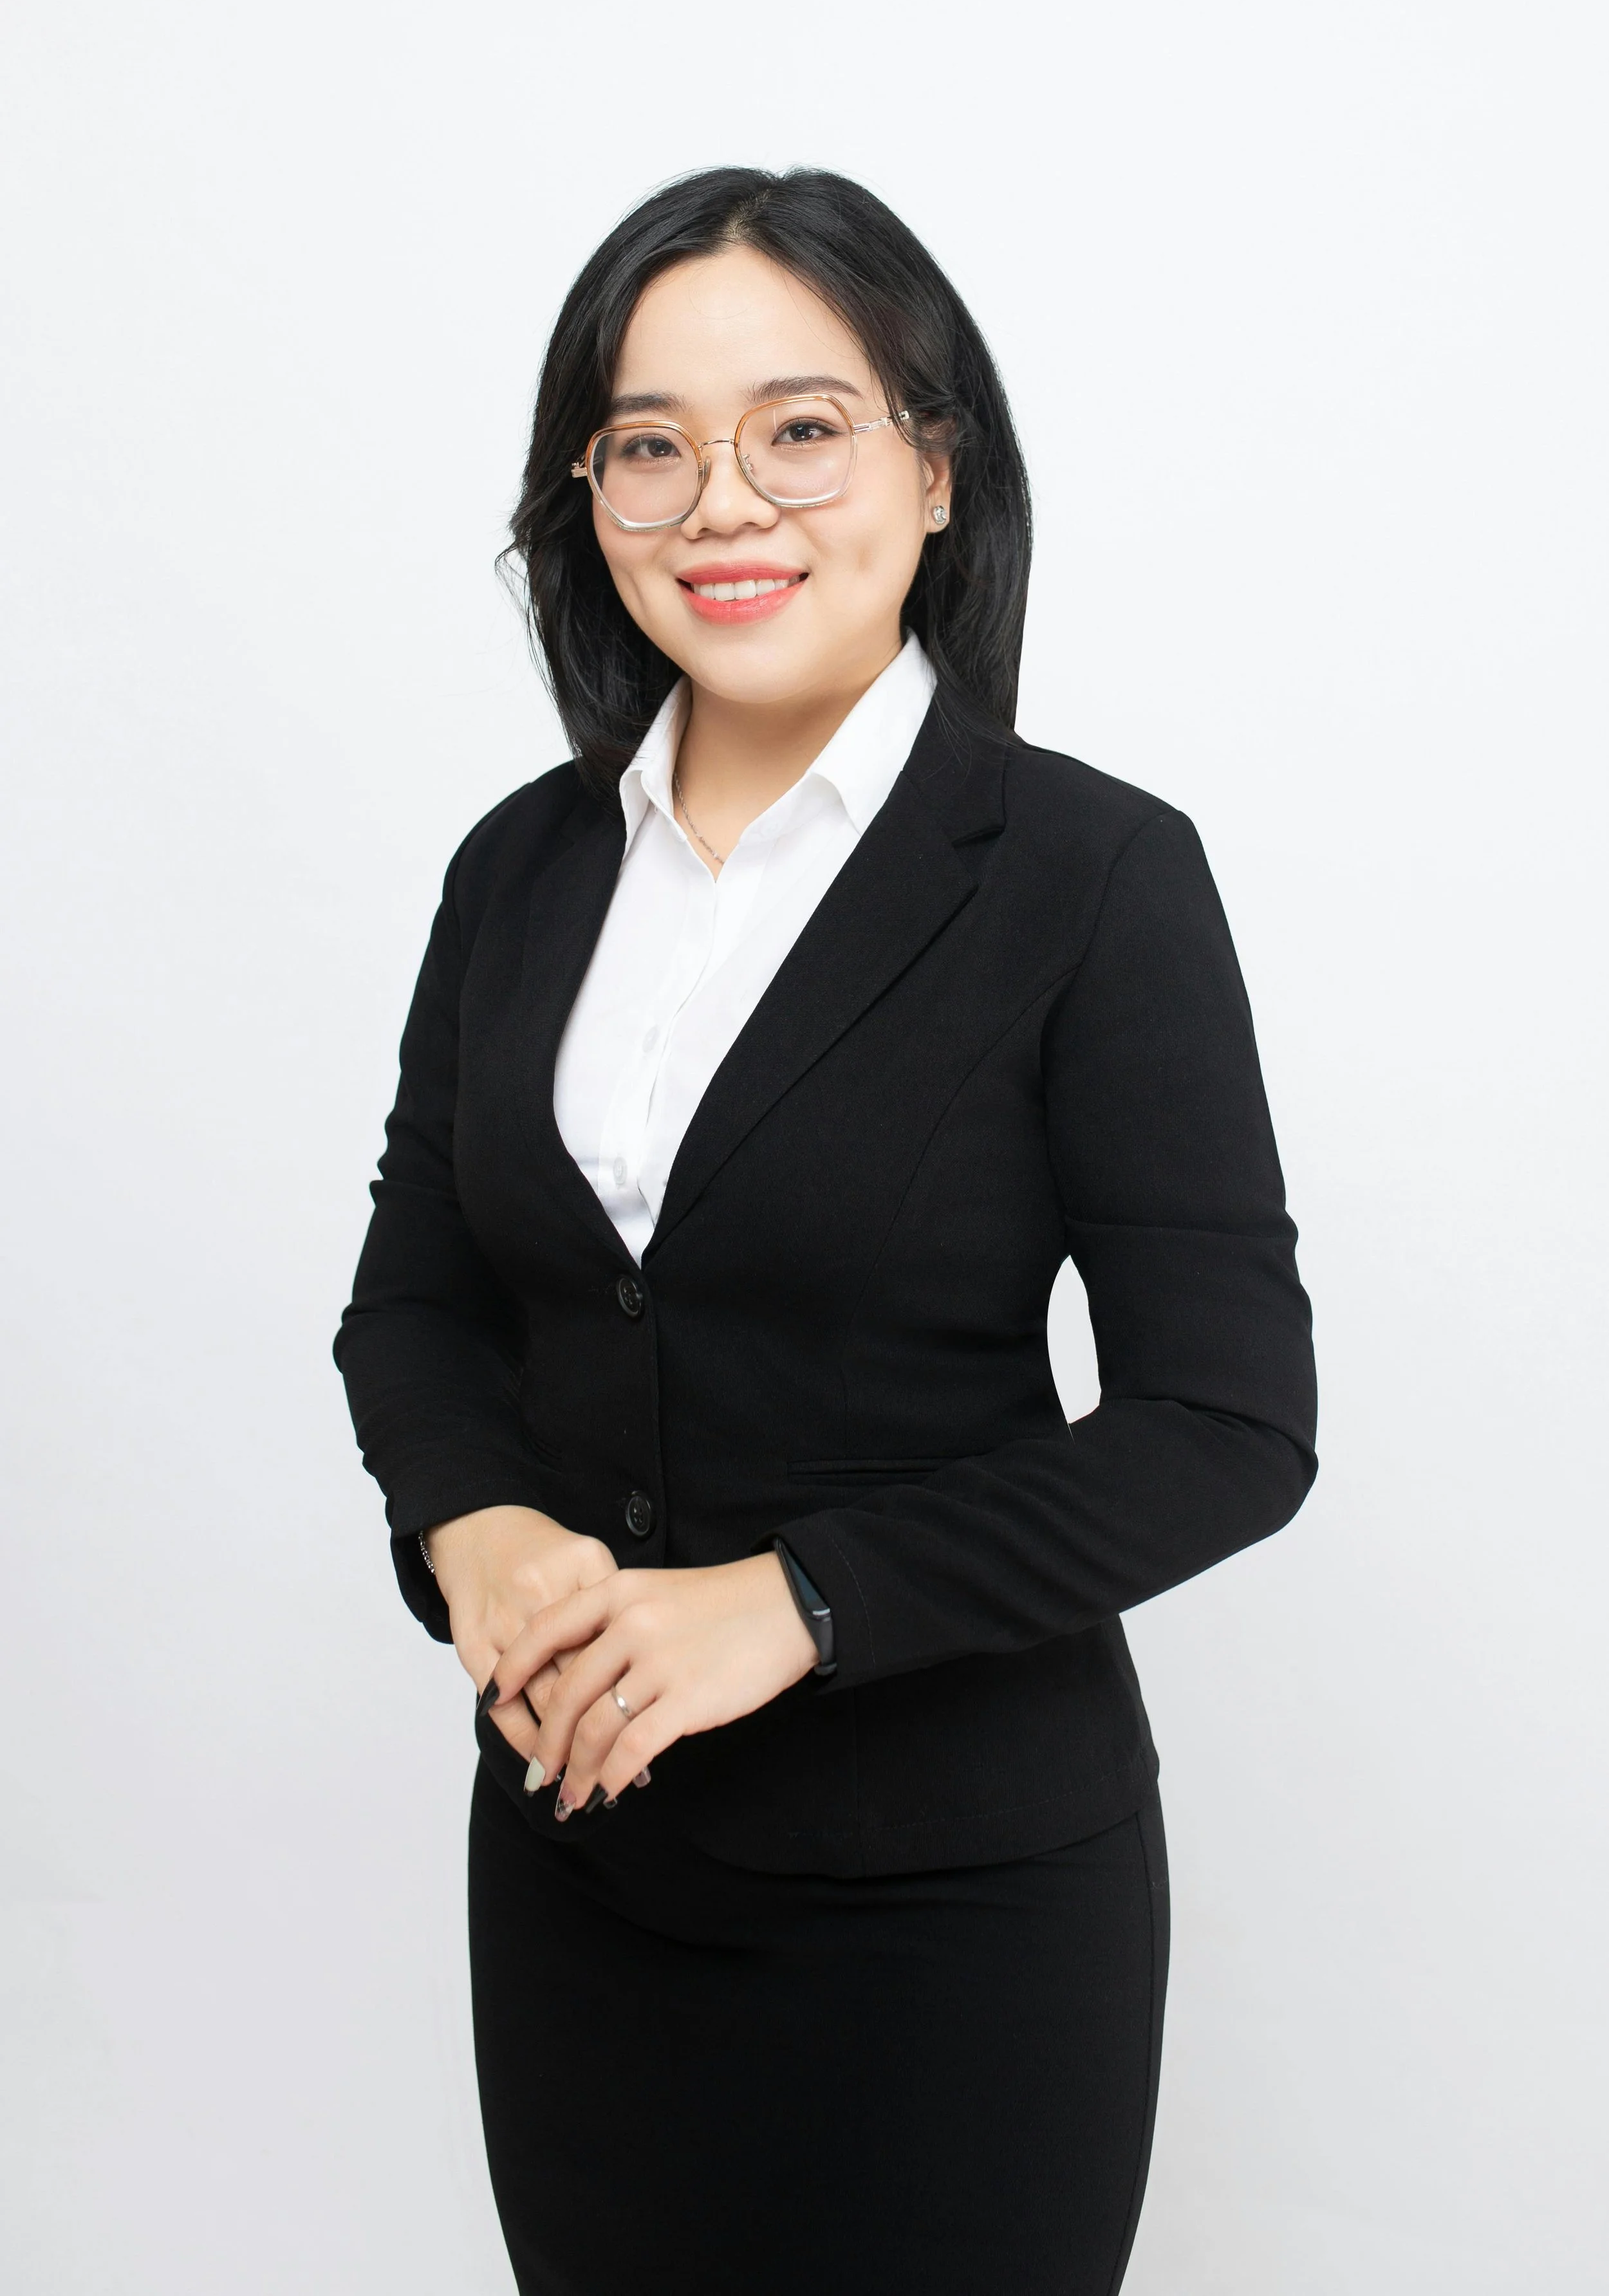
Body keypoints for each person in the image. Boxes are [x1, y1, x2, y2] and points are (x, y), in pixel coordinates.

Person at [334, 165, 1317, 2296]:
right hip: (581, 1870)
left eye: (799, 427)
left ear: (933, 467)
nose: (721, 501)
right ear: (584, 496)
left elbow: (1227, 1423)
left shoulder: (1090, 877)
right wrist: (470, 1531)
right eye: (648, 443)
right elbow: (414, 1299)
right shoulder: (521, 869)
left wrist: (791, 1603)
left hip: (953, 1901)